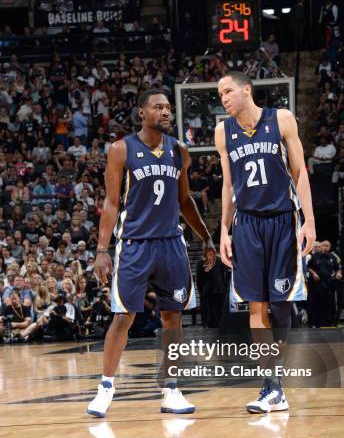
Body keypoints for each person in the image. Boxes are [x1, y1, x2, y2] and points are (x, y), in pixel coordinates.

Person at [87, 89, 216, 418]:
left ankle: (171, 389)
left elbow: (185, 202)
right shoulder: (121, 149)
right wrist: (103, 250)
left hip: (171, 244)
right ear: (141, 113)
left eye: (168, 108)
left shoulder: (180, 151)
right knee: (123, 316)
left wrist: (207, 238)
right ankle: (105, 387)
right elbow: (112, 203)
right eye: (158, 107)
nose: (166, 112)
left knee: (173, 317)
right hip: (134, 244)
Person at [216, 72, 315, 414]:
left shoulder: (282, 119)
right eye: (220, 94)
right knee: (255, 306)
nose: (223, 98)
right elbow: (228, 185)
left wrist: (309, 222)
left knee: (281, 302)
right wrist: (224, 230)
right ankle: (270, 386)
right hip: (247, 225)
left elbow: (300, 172)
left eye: (228, 91)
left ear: (247, 90)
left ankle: (278, 384)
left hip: (283, 220)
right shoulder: (222, 131)